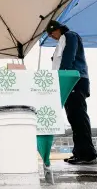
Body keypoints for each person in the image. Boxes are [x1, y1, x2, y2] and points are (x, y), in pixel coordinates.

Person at [46, 20, 97, 165]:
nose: (51, 36)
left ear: (57, 29)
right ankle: (79, 152)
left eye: (51, 33)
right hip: (68, 80)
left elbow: (69, 57)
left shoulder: (70, 36)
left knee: (79, 117)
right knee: (74, 118)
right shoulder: (63, 39)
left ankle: (87, 154)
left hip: (73, 79)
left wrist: (63, 75)